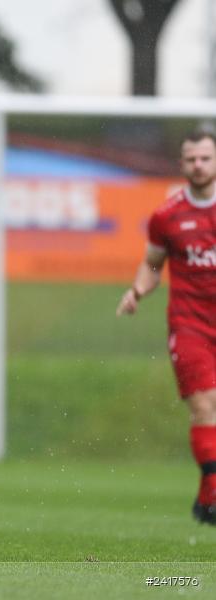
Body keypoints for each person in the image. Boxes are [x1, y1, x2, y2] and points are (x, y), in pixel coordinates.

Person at [116, 129, 216, 525]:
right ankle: (214, 487)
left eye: (205, 158)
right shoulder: (167, 216)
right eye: (191, 159)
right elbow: (153, 264)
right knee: (205, 405)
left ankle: (207, 496)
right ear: (181, 164)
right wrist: (137, 291)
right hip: (190, 324)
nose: (198, 165)